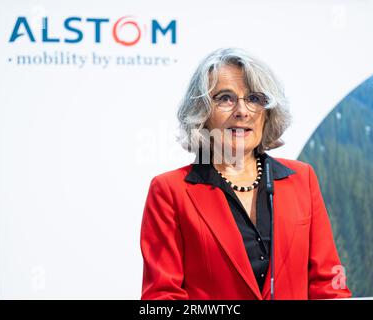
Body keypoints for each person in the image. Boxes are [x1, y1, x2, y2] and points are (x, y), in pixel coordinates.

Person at [140, 48, 352, 300]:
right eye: (225, 98)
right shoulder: (170, 190)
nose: (242, 111)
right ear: (202, 113)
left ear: (268, 112)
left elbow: (328, 283)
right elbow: (162, 296)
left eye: (254, 99)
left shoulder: (301, 178)